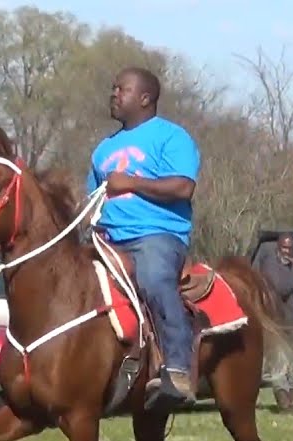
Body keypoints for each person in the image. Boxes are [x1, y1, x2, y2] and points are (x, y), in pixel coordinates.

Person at [88, 66, 201, 412]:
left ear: (145, 98)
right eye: (113, 88)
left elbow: (184, 186)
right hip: (107, 239)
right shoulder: (102, 150)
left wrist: (133, 183)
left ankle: (179, 370)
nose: (114, 94)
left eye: (121, 89)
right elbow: (92, 200)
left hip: (156, 236)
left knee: (153, 279)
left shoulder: (171, 136)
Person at [256, 233, 293, 413]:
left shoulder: (289, 267)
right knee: (279, 365)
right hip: (279, 323)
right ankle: (283, 401)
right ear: (278, 248)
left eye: (290, 248)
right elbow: (281, 288)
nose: (287, 252)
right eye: (284, 248)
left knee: (292, 365)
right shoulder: (271, 265)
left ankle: (292, 400)